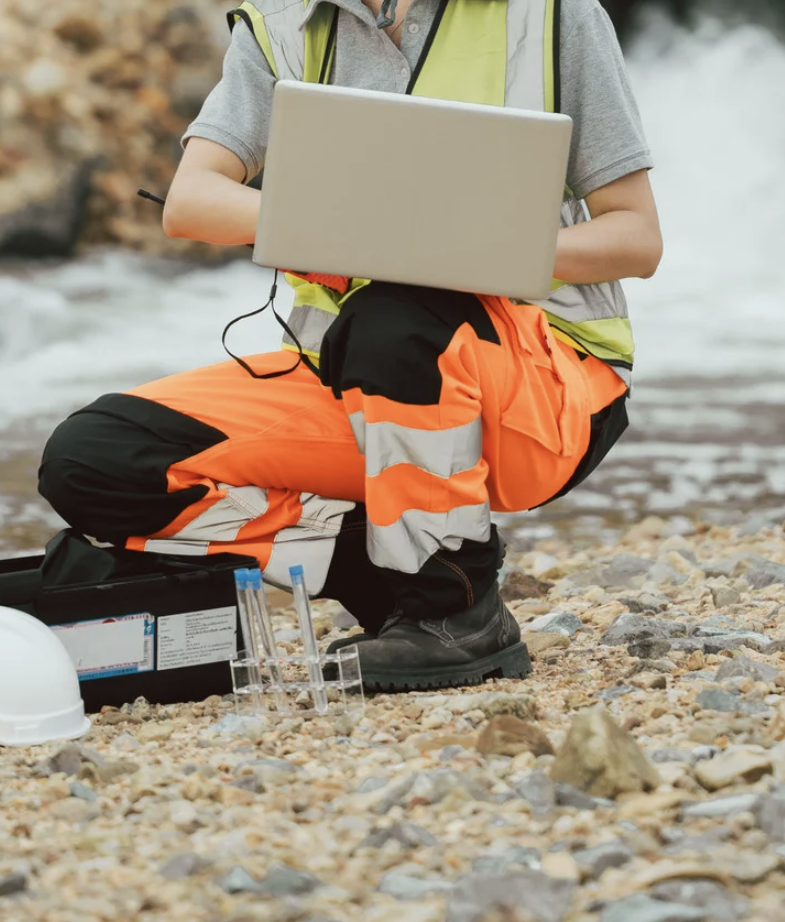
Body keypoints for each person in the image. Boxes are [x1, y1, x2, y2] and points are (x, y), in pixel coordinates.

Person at [34, 0, 661, 692]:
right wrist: (362, 233)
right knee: (94, 459)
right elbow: (193, 201)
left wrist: (459, 253)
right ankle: (382, 566)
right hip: (353, 381)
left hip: (546, 394)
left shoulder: (551, 14)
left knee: (395, 313)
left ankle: (455, 610)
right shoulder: (279, 25)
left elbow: (635, 238)